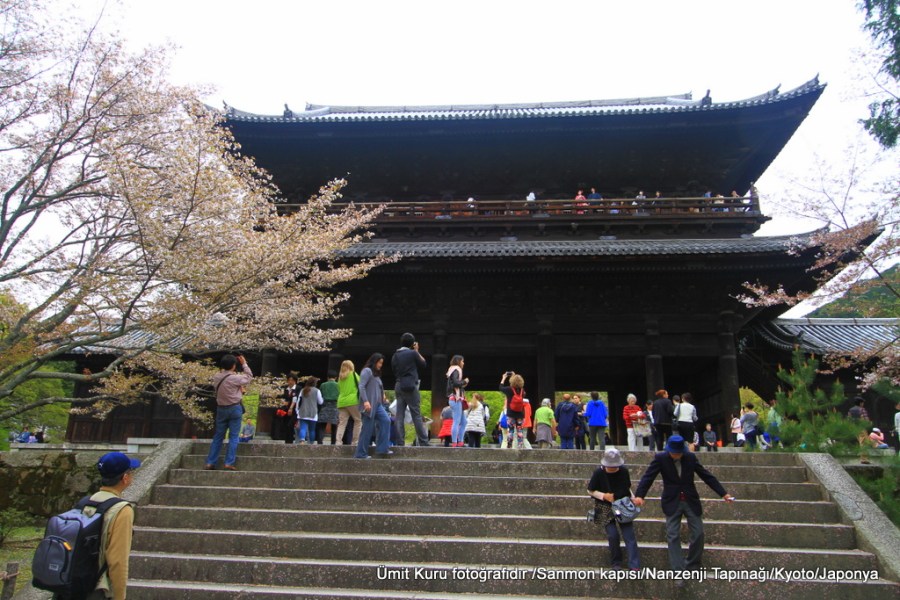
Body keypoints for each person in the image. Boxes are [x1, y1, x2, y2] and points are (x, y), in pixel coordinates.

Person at [633, 435, 734, 583]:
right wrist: (640, 495)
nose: (676, 455)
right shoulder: (661, 458)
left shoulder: (690, 458)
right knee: (673, 535)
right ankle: (678, 572)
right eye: (674, 453)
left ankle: (692, 564)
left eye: (679, 453)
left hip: (690, 500)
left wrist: (723, 494)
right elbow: (648, 477)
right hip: (672, 501)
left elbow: (706, 476)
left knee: (698, 533)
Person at [89, 451, 141, 600]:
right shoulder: (122, 510)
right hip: (98, 587)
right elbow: (118, 561)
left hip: (77, 583)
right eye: (131, 472)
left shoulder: (87, 502)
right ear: (125, 478)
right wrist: (120, 597)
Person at [588, 448, 640, 571]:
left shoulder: (624, 471)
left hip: (622, 505)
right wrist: (603, 496)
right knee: (612, 535)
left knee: (629, 535)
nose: (612, 468)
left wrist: (633, 499)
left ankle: (634, 565)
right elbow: (590, 490)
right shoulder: (598, 473)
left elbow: (627, 488)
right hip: (603, 506)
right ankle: (616, 562)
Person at [205, 354, 253, 470]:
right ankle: (229, 462)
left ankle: (210, 462)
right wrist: (244, 364)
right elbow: (249, 377)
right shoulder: (235, 378)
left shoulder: (217, 377)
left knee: (218, 436)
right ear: (233, 366)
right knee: (234, 436)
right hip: (234, 408)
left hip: (221, 408)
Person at [391, 333, 428, 447]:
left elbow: (393, 369)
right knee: (416, 414)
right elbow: (423, 364)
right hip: (411, 385)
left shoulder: (395, 355)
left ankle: (400, 442)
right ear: (412, 343)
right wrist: (416, 350)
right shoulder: (412, 353)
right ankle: (423, 441)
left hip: (399, 384)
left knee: (399, 415)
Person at [355, 353, 392, 459]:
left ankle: (382, 448)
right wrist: (365, 401)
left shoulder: (376, 375)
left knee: (386, 421)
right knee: (367, 429)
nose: (380, 365)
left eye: (381, 363)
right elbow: (361, 386)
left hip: (378, 405)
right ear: (374, 361)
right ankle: (360, 453)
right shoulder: (367, 371)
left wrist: (382, 395)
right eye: (379, 362)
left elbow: (378, 388)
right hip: (369, 405)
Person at [336, 360, 361, 446]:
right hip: (353, 400)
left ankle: (338, 441)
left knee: (342, 423)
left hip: (341, 402)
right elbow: (361, 385)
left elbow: (339, 389)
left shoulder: (340, 377)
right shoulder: (353, 374)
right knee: (358, 420)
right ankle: (355, 442)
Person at [446, 355, 470, 447]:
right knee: (456, 421)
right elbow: (456, 383)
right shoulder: (456, 369)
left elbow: (455, 384)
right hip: (455, 399)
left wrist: (462, 384)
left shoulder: (452, 370)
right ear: (458, 361)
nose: (463, 363)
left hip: (457, 399)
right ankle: (455, 442)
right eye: (462, 361)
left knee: (464, 422)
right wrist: (464, 381)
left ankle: (460, 441)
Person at [500, 371, 527, 449]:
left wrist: (503, 378)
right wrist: (514, 376)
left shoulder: (509, 389)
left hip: (511, 413)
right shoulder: (522, 391)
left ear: (511, 381)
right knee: (519, 430)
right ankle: (520, 446)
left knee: (511, 430)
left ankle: (509, 446)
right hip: (520, 414)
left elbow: (500, 387)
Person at [295, 376, 322, 445]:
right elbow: (320, 402)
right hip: (313, 413)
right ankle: (311, 443)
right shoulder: (317, 391)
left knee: (303, 428)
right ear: (315, 383)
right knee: (312, 430)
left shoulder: (303, 390)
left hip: (303, 412)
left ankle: (302, 440)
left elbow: (298, 401)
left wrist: (297, 410)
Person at [317, 371, 340, 445]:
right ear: (336, 378)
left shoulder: (323, 385)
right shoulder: (338, 385)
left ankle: (320, 441)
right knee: (334, 425)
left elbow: (320, 395)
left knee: (322, 425)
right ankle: (333, 442)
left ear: (328, 377)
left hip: (325, 405)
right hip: (335, 406)